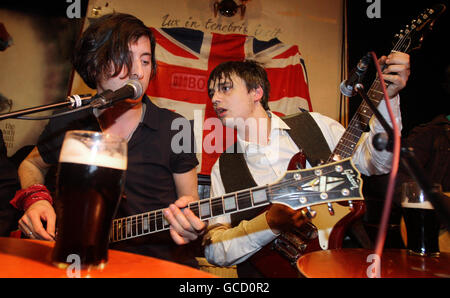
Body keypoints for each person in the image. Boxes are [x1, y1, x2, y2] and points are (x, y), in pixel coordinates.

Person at [9, 13, 204, 267]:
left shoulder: (175, 127)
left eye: (145, 61)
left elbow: (190, 200)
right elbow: (31, 164)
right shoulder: (69, 120)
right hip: (78, 261)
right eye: (125, 58)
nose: (138, 72)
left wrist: (190, 221)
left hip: (153, 263)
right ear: (94, 64)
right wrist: (36, 200)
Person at [202, 57, 410, 276]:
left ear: (256, 92)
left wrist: (389, 99)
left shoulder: (315, 125)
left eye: (225, 88)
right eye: (211, 94)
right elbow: (214, 250)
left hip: (347, 266)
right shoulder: (222, 168)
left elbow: (377, 163)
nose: (215, 99)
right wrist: (267, 225)